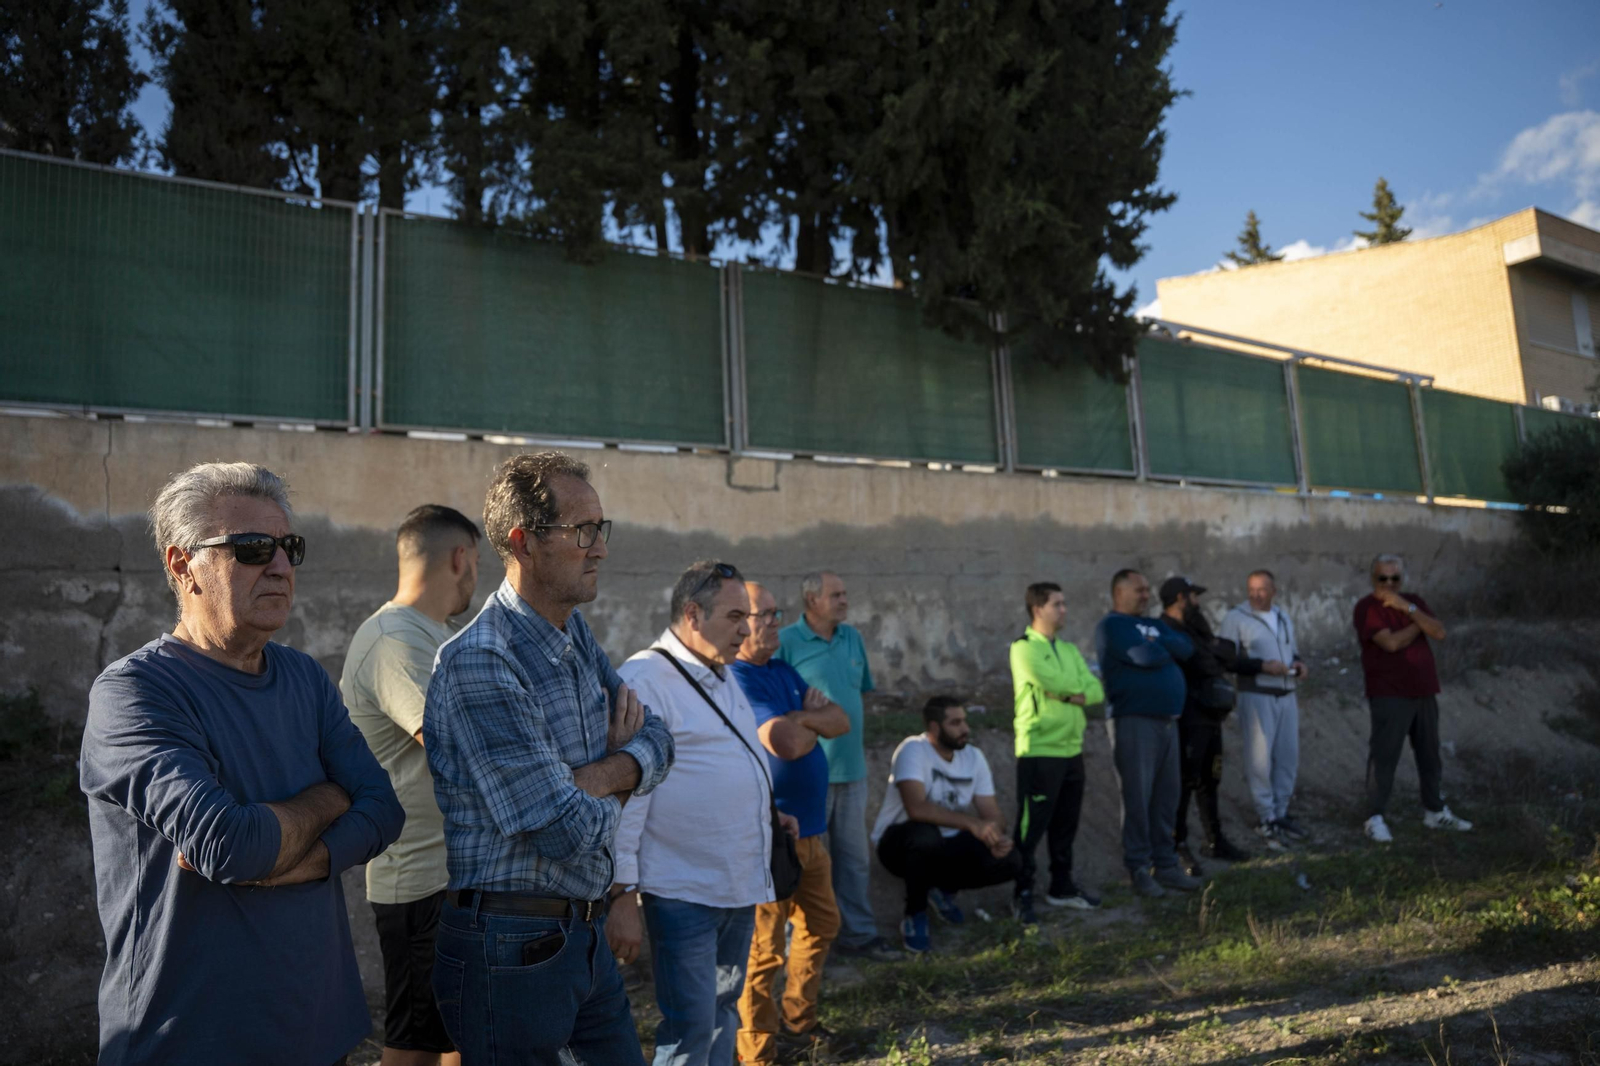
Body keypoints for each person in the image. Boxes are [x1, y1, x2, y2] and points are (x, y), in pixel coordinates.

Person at [79, 462, 405, 1066]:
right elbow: (234, 847)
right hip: (191, 1039)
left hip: (316, 1031)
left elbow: (384, 810)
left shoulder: (305, 677)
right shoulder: (134, 694)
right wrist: (333, 796)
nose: (280, 566)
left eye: (288, 547)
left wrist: (300, 858)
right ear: (183, 566)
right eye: (253, 548)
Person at [424, 452, 675, 1066]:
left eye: (601, 529)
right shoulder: (481, 660)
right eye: (581, 531)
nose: (600, 548)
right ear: (523, 542)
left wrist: (597, 775)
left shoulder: (572, 634)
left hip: (578, 937)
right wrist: (623, 771)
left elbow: (662, 739)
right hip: (511, 948)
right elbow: (562, 832)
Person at [612, 561, 798, 1066]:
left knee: (724, 1013)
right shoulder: (645, 679)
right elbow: (629, 795)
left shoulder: (722, 672)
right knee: (691, 1025)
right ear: (693, 614)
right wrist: (622, 891)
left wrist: (765, 815)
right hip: (683, 890)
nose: (747, 628)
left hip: (735, 882)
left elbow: (729, 760)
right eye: (736, 615)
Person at [342, 504, 482, 1066]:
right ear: (460, 558)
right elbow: (455, 740)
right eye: (479, 562)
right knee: (414, 1045)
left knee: (459, 1038)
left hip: (450, 874)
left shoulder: (436, 635)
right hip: (419, 879)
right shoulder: (394, 638)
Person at [731, 582, 851, 1064]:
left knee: (822, 923)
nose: (776, 622)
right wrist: (809, 718)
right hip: (771, 838)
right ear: (740, 621)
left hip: (813, 832)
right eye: (766, 615)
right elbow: (788, 743)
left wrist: (802, 716)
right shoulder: (739, 679)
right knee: (763, 952)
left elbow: (842, 720)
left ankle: (799, 1020)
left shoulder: (781, 671)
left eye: (778, 613)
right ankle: (757, 1051)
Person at [777, 571, 897, 959]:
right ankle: (804, 948)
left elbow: (859, 691)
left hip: (853, 770)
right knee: (808, 865)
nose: (845, 600)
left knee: (854, 862)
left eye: (845, 593)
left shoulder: (853, 638)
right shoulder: (787, 642)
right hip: (813, 777)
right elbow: (780, 704)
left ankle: (859, 936)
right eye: (837, 595)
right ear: (812, 601)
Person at [872, 697, 1022, 953]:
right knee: (925, 836)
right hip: (899, 844)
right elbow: (916, 808)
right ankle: (915, 914)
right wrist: (973, 824)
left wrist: (994, 834)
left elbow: (992, 813)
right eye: (955, 723)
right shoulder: (913, 750)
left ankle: (942, 890)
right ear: (934, 728)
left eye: (964, 721)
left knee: (1012, 861)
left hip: (947, 845)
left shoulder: (974, 757)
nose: (965, 729)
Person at [1094, 569, 1202, 898]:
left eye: (1146, 590)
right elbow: (1141, 655)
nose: (1146, 595)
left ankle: (1166, 864)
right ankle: (1139, 867)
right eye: (1139, 590)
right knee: (1138, 798)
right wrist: (1160, 646)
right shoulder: (1112, 626)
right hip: (1134, 720)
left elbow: (1186, 647)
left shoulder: (1155, 626)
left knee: (1166, 796)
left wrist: (1159, 642)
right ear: (1119, 592)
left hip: (1168, 721)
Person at [1160, 576, 1276, 875]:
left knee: (1210, 779)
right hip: (1188, 719)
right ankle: (1177, 845)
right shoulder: (1167, 630)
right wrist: (1213, 654)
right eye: (1192, 597)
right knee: (1185, 782)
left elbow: (1223, 659)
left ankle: (1215, 840)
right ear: (1179, 599)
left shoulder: (1195, 630)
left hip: (1210, 717)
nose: (1198, 602)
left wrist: (1260, 665)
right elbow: (1204, 662)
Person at [1354, 554, 1472, 842]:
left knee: (1430, 754)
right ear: (1374, 579)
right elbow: (1391, 643)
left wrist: (1408, 608)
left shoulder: (1412, 601)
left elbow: (1440, 632)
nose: (1390, 583)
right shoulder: (1367, 608)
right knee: (1384, 756)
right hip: (1389, 692)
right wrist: (1419, 622)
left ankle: (1434, 810)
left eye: (1395, 578)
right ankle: (1374, 817)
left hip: (1423, 689)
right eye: (1384, 578)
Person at [1008, 581, 1106, 925]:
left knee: (1065, 825)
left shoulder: (1069, 649)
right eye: (1057, 604)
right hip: (1039, 749)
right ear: (1038, 609)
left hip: (1071, 748)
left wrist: (1071, 695)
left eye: (1064, 604)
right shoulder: (1023, 649)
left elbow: (1094, 690)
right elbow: (1054, 683)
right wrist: (1068, 692)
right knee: (1030, 827)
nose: (1064, 610)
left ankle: (1061, 886)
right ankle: (1022, 892)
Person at [1217, 570, 1308, 851]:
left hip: (1286, 693)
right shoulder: (1236, 618)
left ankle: (1280, 813)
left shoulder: (1281, 615)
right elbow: (1225, 660)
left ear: (1274, 591)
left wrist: (1299, 664)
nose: (1256, 595)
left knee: (1288, 756)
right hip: (1257, 695)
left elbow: (1290, 651)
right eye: (1251, 589)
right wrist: (1261, 666)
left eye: (1262, 590)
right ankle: (1265, 816)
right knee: (1260, 759)